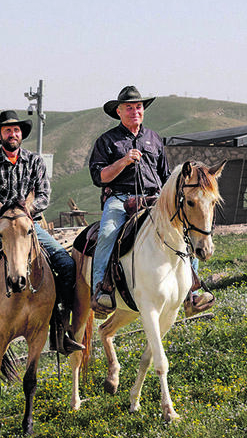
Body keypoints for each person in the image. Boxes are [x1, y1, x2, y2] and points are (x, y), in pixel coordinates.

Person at [0, 110, 85, 357]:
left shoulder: (34, 162)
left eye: (16, 130)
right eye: (8, 130)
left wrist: (28, 210)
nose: (13, 134)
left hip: (31, 227)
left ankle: (61, 327)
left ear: (21, 135)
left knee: (65, 264)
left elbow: (44, 195)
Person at [87, 86, 215, 315]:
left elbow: (166, 176)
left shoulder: (154, 138)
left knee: (185, 229)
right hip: (119, 198)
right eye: (129, 108)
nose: (135, 111)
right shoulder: (107, 141)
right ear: (118, 112)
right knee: (107, 233)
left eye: (138, 107)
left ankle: (192, 291)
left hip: (154, 197)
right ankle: (101, 290)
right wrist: (124, 161)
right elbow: (99, 177)